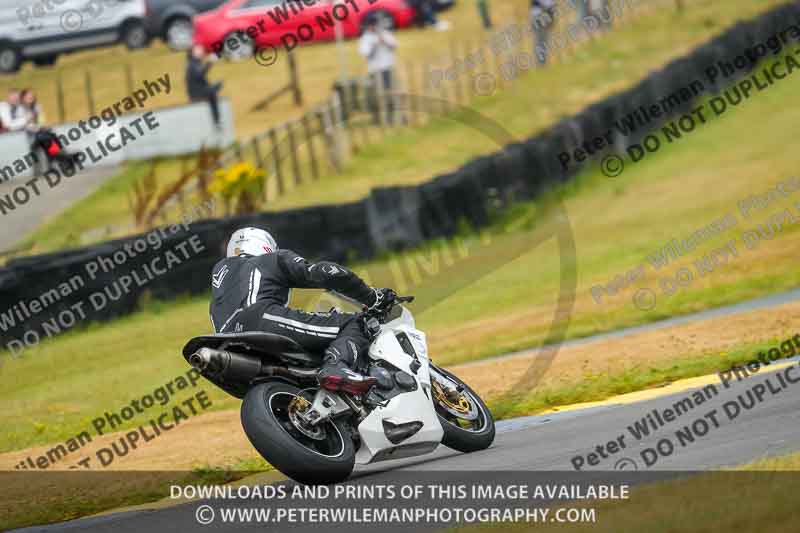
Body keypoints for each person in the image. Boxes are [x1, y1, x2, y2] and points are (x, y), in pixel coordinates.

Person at [209, 227, 397, 392]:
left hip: (224, 339)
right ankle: (336, 365)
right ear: (265, 245)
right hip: (261, 320)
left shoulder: (220, 278)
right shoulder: (272, 259)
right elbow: (324, 273)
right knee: (356, 322)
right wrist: (373, 296)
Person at [359, 14, 398, 124]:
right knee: (375, 95)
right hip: (375, 70)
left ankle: (393, 115)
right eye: (371, 26)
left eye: (374, 25)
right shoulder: (365, 38)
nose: (373, 28)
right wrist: (375, 45)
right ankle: (376, 119)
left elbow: (395, 46)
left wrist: (384, 41)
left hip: (387, 67)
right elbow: (365, 54)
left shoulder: (385, 34)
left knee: (390, 93)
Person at [186, 44, 223, 129]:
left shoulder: (195, 63)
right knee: (213, 91)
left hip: (200, 90)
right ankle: (217, 121)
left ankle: (217, 121)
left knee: (216, 86)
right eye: (198, 50)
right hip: (196, 93)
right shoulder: (192, 64)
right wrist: (210, 62)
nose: (201, 51)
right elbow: (200, 74)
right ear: (192, 53)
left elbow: (201, 78)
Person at [530, 0, 557, 65]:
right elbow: (548, 4)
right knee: (540, 41)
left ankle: (542, 63)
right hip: (539, 15)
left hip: (543, 14)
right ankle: (541, 64)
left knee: (543, 41)